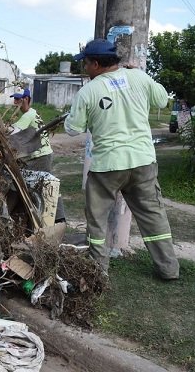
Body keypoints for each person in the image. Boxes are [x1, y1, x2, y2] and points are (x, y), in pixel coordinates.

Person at [64, 38, 179, 279]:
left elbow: (73, 129)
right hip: (143, 161)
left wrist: (74, 116)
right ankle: (168, 268)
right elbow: (161, 99)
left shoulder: (88, 91)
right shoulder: (138, 77)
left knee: (97, 218)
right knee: (153, 215)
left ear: (96, 64)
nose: (84, 68)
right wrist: (140, 74)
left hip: (108, 166)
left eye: (85, 63)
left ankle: (98, 270)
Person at [10, 88, 65, 223]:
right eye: (14, 99)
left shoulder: (28, 115)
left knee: (41, 184)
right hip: (41, 155)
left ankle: (58, 218)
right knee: (43, 184)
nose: (15, 102)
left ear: (26, 99)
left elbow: (13, 131)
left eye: (18, 99)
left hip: (40, 156)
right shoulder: (32, 113)